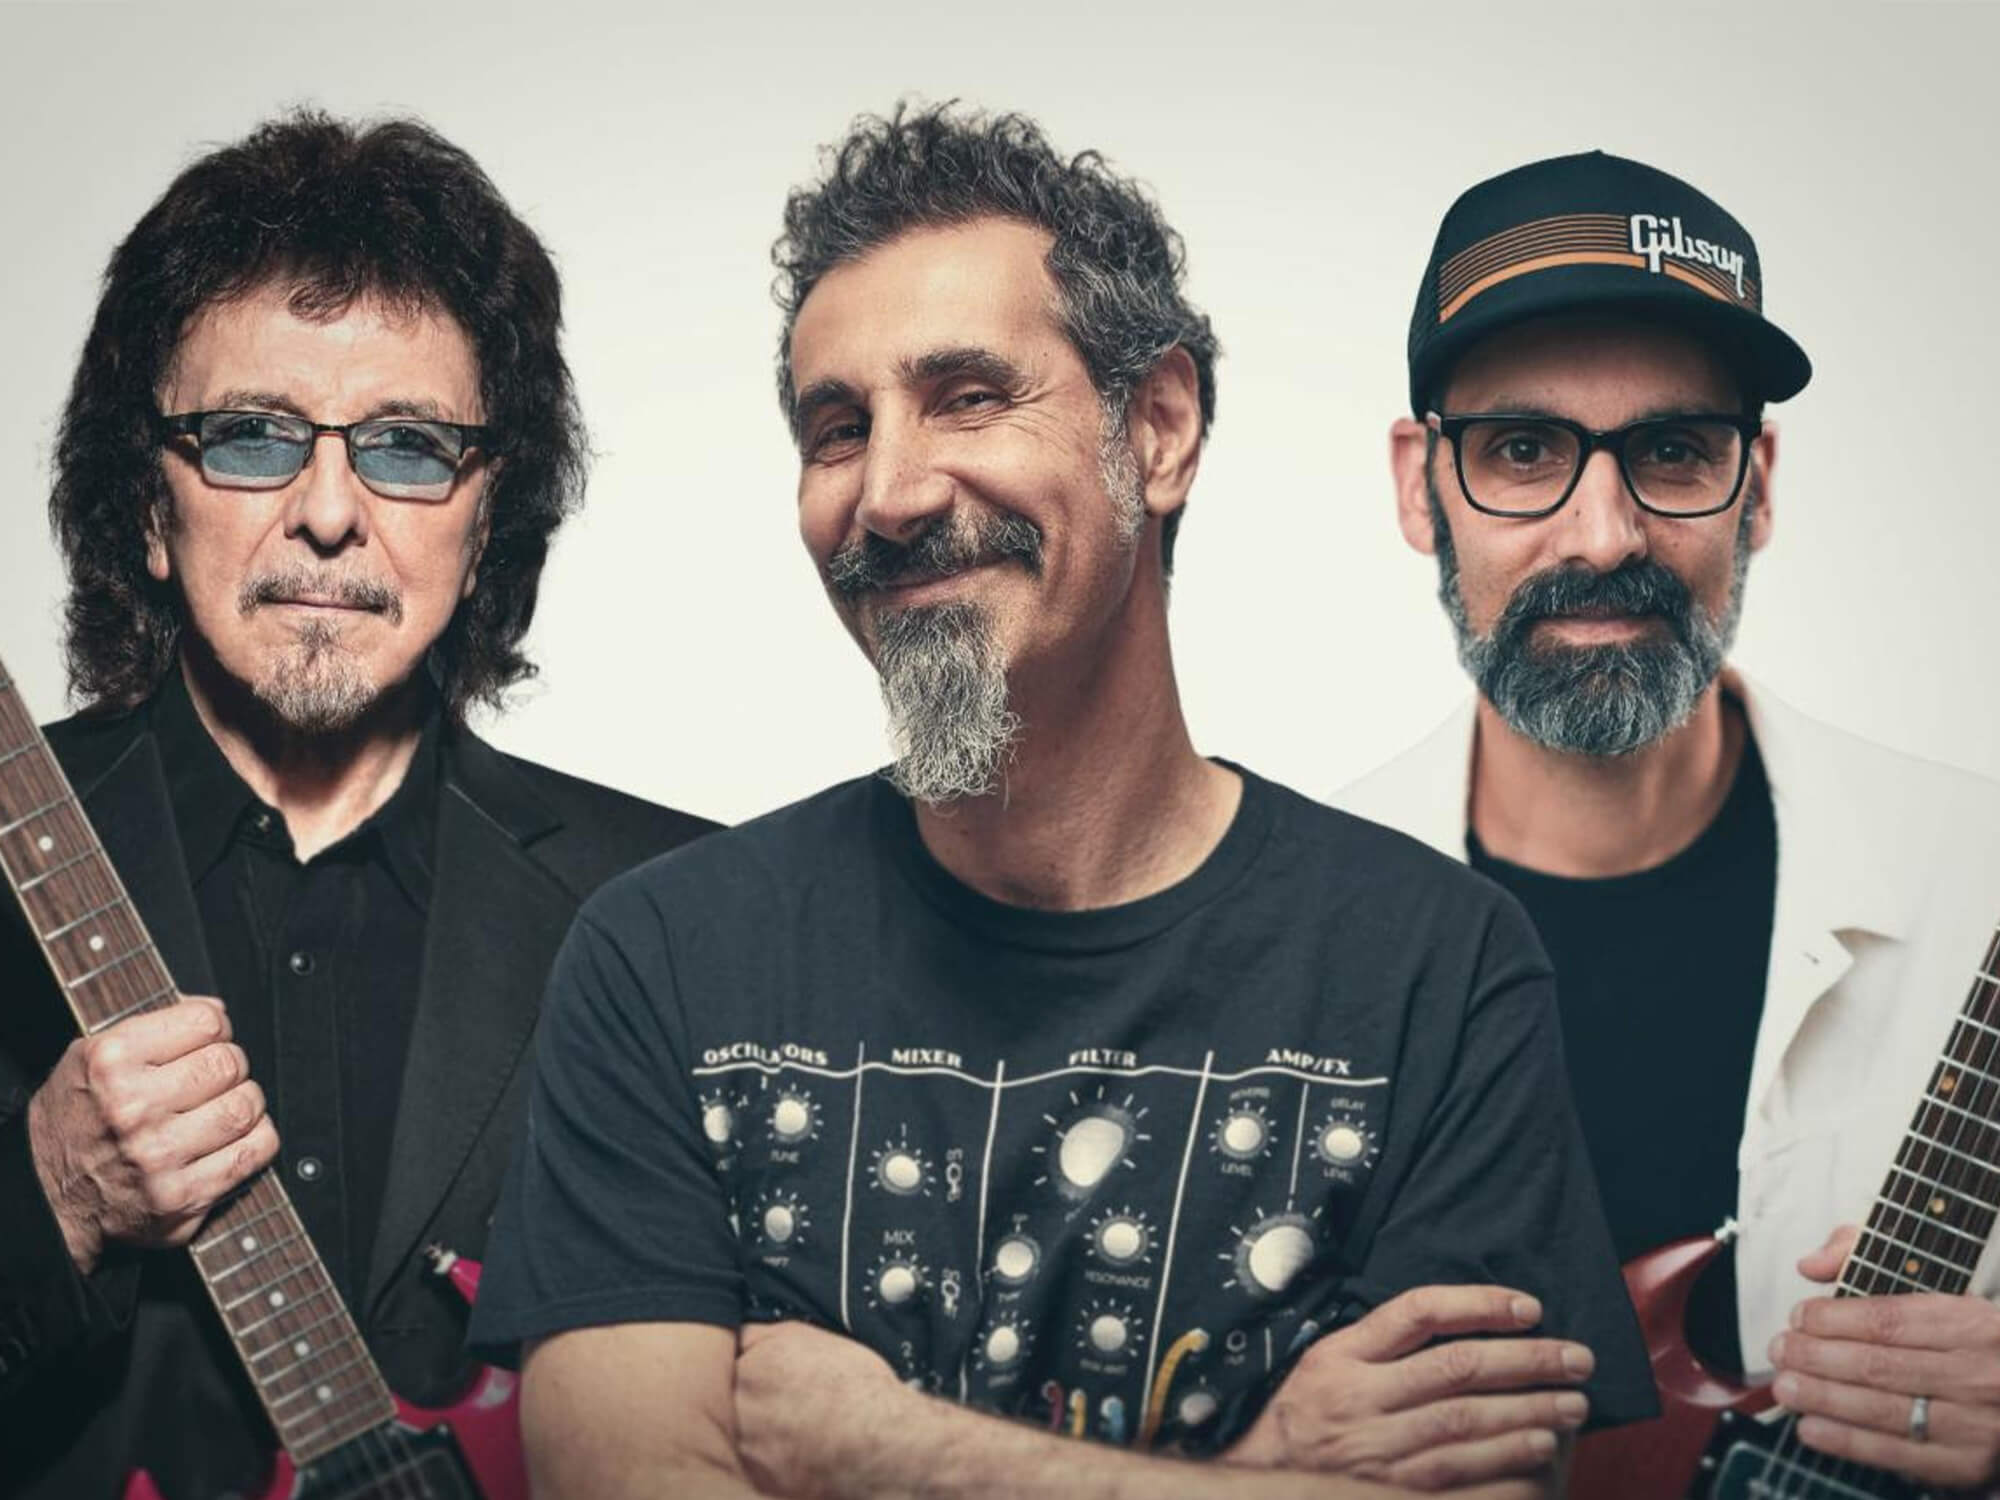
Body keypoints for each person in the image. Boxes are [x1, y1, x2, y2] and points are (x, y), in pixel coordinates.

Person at [468, 104, 1654, 1500]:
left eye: (969, 397)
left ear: (1156, 428)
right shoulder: (664, 960)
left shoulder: (1435, 969)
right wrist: (1265, 1475)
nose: (893, 494)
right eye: (837, 428)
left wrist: (891, 1453)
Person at [0, 112, 715, 1498]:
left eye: (403, 446)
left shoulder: (675, 915)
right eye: (253, 438)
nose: (330, 513)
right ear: (148, 509)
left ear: (486, 516)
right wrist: (53, 1197)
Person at [1336, 149, 2000, 1494]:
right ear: (1421, 486)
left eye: (1672, 452)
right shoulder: (1270, 928)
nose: (1602, 533)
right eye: (1522, 449)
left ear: (1756, 485)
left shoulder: (1978, 884)